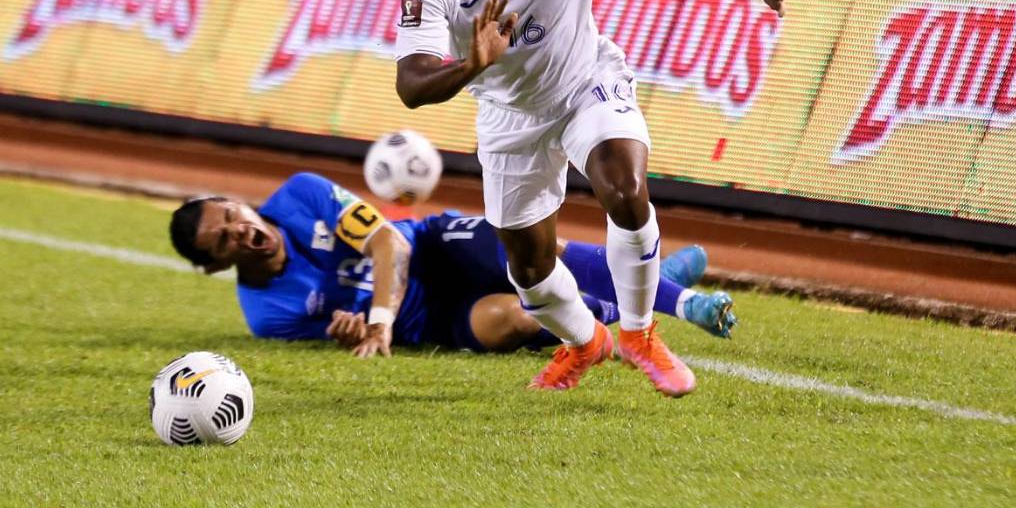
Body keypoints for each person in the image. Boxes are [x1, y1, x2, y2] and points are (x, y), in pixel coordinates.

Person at [395, 0, 820, 395]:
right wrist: (473, 64)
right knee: (530, 274)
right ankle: (585, 342)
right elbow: (412, 84)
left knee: (623, 188)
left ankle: (640, 334)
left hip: (584, 83)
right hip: (508, 115)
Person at [167, 171, 736, 355]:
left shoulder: (300, 195)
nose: (241, 231)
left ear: (236, 202)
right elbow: (348, 332)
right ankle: (637, 293)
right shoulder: (267, 316)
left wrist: (378, 319)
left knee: (530, 252)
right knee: (519, 317)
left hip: (432, 247)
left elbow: (390, 244)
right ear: (216, 266)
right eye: (223, 242)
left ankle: (685, 302)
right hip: (427, 320)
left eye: (231, 214)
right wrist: (354, 330)